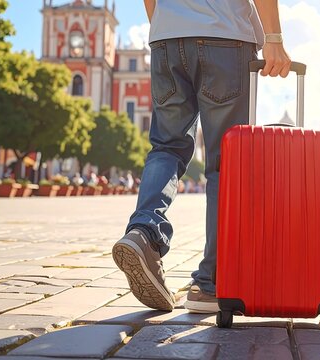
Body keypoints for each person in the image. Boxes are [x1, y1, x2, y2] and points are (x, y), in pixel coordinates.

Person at [112, 0, 292, 314]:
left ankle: (144, 232)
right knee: (226, 162)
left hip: (166, 38)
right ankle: (209, 284)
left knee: (166, 147)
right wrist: (274, 39)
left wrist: (168, 25)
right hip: (225, 36)